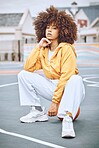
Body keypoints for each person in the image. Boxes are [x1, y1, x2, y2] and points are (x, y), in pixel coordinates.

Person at [18, 6, 85, 138]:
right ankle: (37, 111)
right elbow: (28, 68)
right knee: (23, 75)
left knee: (76, 79)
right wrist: (38, 47)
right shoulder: (43, 49)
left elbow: (66, 77)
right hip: (52, 87)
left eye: (54, 28)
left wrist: (55, 103)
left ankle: (67, 119)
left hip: (70, 89)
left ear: (62, 31)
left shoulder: (67, 49)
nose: (49, 30)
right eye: (48, 27)